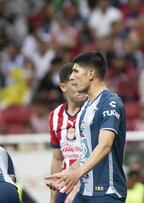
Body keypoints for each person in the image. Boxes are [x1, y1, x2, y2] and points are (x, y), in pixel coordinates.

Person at [45, 52, 127, 202]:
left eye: (76, 71)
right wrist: (69, 172)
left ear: (90, 74)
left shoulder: (110, 102)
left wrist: (77, 174)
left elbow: (105, 146)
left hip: (106, 192)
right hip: (85, 192)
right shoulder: (87, 107)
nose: (72, 77)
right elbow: (87, 151)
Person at [49, 63, 86, 203]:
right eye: (75, 84)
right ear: (63, 87)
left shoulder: (94, 110)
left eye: (82, 83)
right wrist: (53, 196)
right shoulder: (55, 116)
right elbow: (57, 158)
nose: (81, 88)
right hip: (65, 187)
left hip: (91, 185)